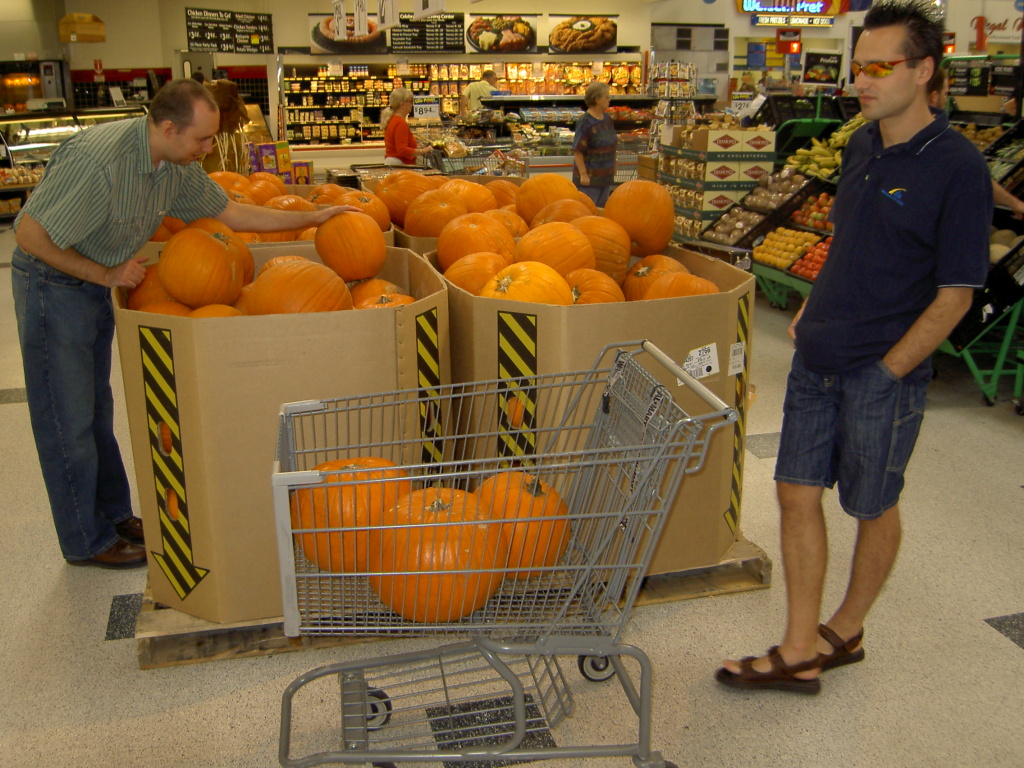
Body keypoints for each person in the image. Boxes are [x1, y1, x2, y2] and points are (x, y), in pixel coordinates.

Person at [716, 0, 991, 694]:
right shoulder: (862, 144)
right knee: (794, 493)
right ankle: (799, 647)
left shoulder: (957, 167)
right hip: (818, 357)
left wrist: (890, 370)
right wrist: (813, 308)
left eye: (878, 67)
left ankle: (847, 626)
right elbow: (848, 238)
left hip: (881, 371)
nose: (860, 81)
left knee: (872, 504)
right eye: (857, 66)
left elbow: (957, 294)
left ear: (923, 70)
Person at [11, 79, 354, 569]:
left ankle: (113, 516)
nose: (209, 148)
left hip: (91, 278)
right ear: (169, 128)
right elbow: (29, 234)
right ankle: (85, 540)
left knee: (96, 412)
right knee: (67, 418)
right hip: (52, 284)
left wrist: (317, 216)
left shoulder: (172, 165)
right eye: (202, 138)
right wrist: (104, 274)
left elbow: (230, 211)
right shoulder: (101, 161)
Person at [928, 66, 1024, 218]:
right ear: (934, 97)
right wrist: (1015, 204)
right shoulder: (940, 139)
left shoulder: (896, 130)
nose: (946, 100)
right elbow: (975, 177)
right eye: (945, 94)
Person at [572, 81, 618, 207]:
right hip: (589, 181)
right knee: (588, 210)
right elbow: (578, 150)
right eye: (606, 97)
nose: (609, 100)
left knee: (601, 211)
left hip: (605, 177)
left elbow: (612, 144)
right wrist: (583, 174)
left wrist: (614, 164)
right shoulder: (585, 122)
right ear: (597, 99)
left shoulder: (607, 119)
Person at [382, 87, 430, 166]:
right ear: (402, 104)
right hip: (399, 164)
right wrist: (424, 150)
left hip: (393, 163)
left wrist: (415, 146)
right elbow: (402, 150)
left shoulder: (393, 119)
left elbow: (398, 144)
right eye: (410, 101)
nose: (412, 104)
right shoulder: (400, 123)